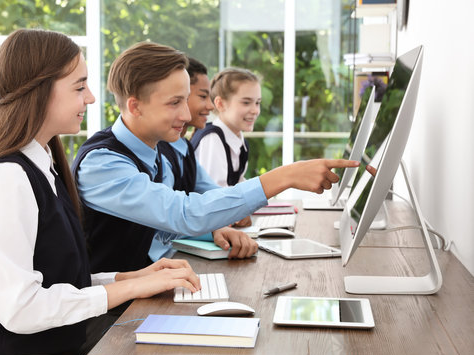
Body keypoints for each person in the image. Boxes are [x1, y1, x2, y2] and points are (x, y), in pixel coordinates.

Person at [0, 29, 200, 355]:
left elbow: (58, 282)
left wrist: (131, 277)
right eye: (79, 86)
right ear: (38, 91)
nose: (91, 97)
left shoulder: (42, 166)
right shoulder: (6, 178)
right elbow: (21, 309)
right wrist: (127, 289)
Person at [72, 42, 359, 276]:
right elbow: (181, 213)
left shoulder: (157, 149)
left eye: (186, 100)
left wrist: (214, 230)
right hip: (115, 317)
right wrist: (285, 176)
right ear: (135, 106)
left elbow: (165, 226)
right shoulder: (103, 164)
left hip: (158, 282)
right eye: (174, 103)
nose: (187, 115)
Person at [152, 57, 252, 261]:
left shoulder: (184, 147)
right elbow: (174, 216)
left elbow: (214, 192)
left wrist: (235, 210)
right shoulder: (157, 153)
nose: (210, 106)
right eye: (202, 96)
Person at [191, 67, 260, 187]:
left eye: (257, 103)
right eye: (246, 102)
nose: (255, 110)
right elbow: (214, 196)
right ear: (220, 104)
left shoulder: (240, 142)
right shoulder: (212, 139)